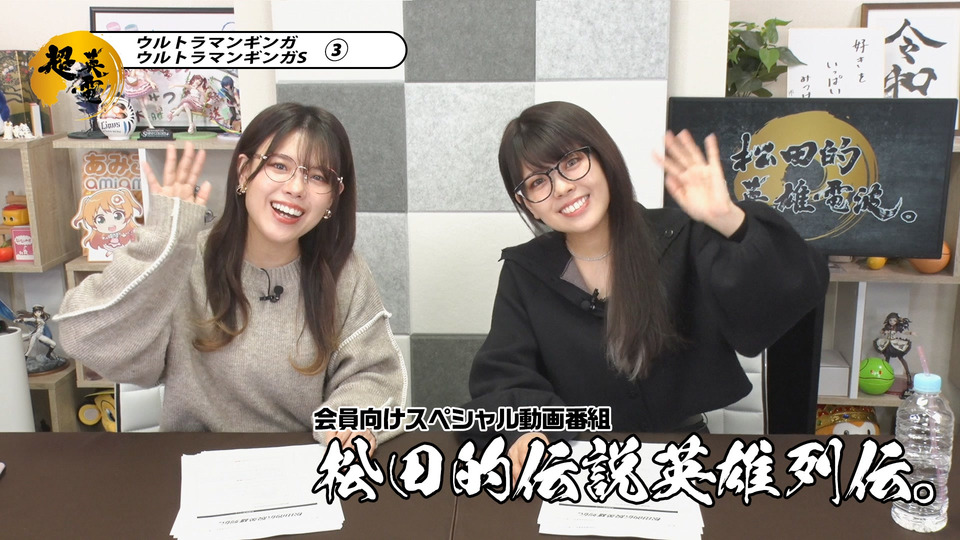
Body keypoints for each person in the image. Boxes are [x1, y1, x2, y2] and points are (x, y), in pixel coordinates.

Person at [466, 101, 829, 476]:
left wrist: (728, 218)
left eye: (571, 162)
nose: (562, 187)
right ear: (527, 204)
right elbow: (504, 374)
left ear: (603, 157)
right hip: (576, 460)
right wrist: (528, 430)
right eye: (538, 182)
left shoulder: (679, 236)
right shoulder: (525, 271)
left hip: (683, 455)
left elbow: (793, 287)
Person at [56, 103, 406, 453]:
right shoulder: (184, 260)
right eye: (279, 166)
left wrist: (348, 422)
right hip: (195, 463)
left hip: (302, 465)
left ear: (334, 196)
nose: (296, 187)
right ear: (243, 171)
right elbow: (85, 340)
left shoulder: (344, 272)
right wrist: (163, 243)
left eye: (318, 177)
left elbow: (373, 374)